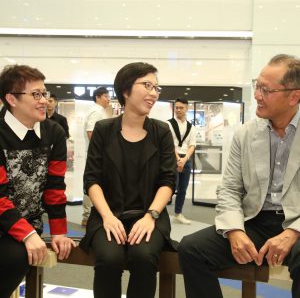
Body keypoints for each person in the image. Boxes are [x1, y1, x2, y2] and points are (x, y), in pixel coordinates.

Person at [178, 53, 300, 298]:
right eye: (257, 86)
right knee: (192, 249)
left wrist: (294, 232)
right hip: (254, 220)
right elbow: (230, 189)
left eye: (266, 90)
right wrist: (234, 230)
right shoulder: (245, 134)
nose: (257, 96)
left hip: (296, 223)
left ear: (294, 96)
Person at [80, 62, 177, 298]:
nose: (154, 93)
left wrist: (151, 216)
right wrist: (107, 216)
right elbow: (92, 179)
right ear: (125, 90)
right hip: (108, 213)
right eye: (147, 85)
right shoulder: (104, 129)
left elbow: (168, 181)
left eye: (156, 87)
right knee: (109, 258)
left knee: (143, 257)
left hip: (148, 215)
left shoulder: (161, 131)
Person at [0, 64, 76, 298]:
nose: (45, 100)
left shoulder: (54, 133)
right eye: (36, 94)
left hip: (27, 223)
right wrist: (27, 234)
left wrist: (59, 232)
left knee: (17, 256)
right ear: (12, 99)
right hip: (6, 220)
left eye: (44, 93)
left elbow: (55, 187)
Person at [81, 86, 111, 226]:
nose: (108, 99)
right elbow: (91, 132)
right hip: (97, 156)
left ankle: (90, 214)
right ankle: (87, 216)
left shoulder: (98, 110)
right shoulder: (96, 111)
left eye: (108, 96)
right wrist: (100, 151)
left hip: (97, 155)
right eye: (105, 96)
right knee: (92, 183)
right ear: (98, 97)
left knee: (96, 183)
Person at [167, 98, 196, 224]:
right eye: (176, 107)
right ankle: (159, 213)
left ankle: (178, 213)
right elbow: (169, 143)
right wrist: (178, 159)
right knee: (170, 188)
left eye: (181, 108)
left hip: (186, 159)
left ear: (186, 108)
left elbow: (192, 145)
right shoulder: (168, 124)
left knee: (183, 189)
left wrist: (185, 159)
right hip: (172, 157)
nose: (178, 110)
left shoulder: (191, 127)